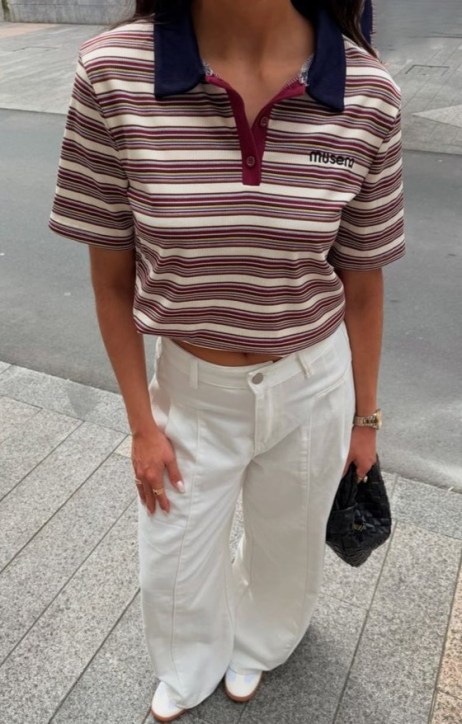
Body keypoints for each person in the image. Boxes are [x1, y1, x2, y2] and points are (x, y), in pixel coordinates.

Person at [49, 0, 405, 721]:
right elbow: (111, 281)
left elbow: (363, 283)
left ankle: (262, 642)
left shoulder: (367, 93)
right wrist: (141, 425)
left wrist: (364, 420)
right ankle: (188, 662)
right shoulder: (112, 74)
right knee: (172, 560)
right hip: (190, 385)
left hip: (313, 382)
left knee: (289, 546)